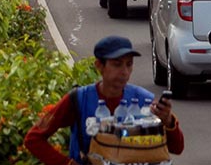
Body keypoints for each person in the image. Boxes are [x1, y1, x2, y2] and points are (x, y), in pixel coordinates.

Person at [24, 35, 185, 165]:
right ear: (99, 66)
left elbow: (176, 148)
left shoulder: (144, 100)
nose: (124, 71)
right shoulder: (79, 99)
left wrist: (168, 121)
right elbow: (34, 139)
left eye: (129, 64)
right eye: (117, 64)